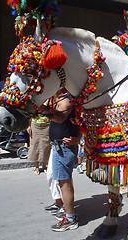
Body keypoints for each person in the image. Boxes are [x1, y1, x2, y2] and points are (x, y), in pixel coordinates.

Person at [44, 87, 81, 232]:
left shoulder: (66, 100)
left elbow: (59, 118)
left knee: (64, 183)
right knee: (60, 181)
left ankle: (70, 218)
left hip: (63, 148)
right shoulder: (58, 99)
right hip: (59, 147)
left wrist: (41, 108)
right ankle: (66, 211)